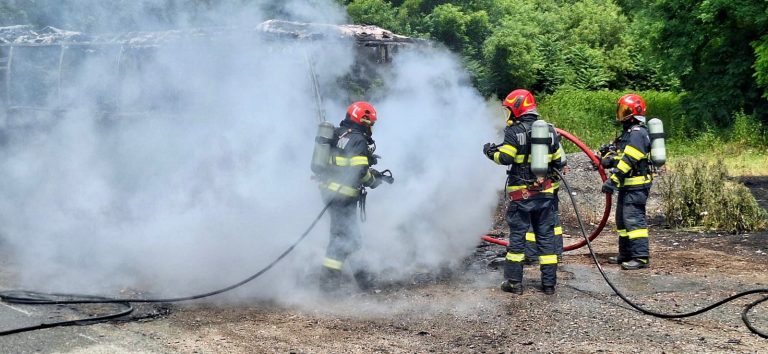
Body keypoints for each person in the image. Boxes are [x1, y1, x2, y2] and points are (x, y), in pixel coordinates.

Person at [483, 89, 564, 295]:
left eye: (509, 109)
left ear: (517, 109)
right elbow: (559, 161)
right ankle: (549, 285)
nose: (508, 113)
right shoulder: (549, 130)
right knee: (546, 239)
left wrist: (490, 153)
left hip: (522, 196)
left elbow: (505, 158)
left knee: (518, 239)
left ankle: (514, 283)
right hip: (546, 195)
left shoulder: (513, 131)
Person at [318, 101, 392, 292]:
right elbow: (360, 172)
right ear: (363, 120)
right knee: (342, 239)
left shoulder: (339, 133)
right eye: (371, 123)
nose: (371, 127)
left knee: (350, 238)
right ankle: (328, 285)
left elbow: (345, 163)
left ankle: (363, 280)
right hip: (343, 197)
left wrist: (369, 166)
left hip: (330, 193)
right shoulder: (358, 139)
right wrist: (374, 180)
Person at [599, 93, 653, 270]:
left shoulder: (638, 133)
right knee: (622, 221)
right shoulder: (627, 134)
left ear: (635, 112)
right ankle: (626, 254)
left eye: (625, 110)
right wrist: (606, 160)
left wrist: (613, 180)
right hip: (627, 185)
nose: (621, 113)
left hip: (636, 185)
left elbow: (630, 160)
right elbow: (621, 157)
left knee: (634, 220)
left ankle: (641, 257)